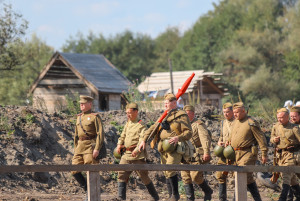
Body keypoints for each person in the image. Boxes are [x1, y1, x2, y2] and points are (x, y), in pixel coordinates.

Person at [139, 93, 192, 201]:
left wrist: (178, 137)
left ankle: (175, 195)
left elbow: (188, 132)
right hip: (163, 148)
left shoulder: (182, 115)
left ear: (174, 103)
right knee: (166, 171)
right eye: (164, 103)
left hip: (175, 148)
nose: (165, 105)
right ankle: (170, 195)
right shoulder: (164, 115)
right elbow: (152, 128)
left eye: (167, 103)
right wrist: (144, 140)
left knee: (171, 168)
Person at [116, 103, 159, 201]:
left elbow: (142, 140)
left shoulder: (141, 125)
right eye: (126, 113)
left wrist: (136, 151)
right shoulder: (128, 123)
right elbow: (122, 135)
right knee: (121, 174)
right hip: (126, 155)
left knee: (144, 176)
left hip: (137, 156)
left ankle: (155, 197)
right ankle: (121, 198)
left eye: (130, 113)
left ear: (136, 112)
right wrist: (119, 144)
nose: (128, 115)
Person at [228, 102, 268, 201]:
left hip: (248, 154)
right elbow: (232, 136)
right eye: (234, 112)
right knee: (248, 178)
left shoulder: (251, 122)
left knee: (241, 175)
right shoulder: (235, 122)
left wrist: (264, 154)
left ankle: (235, 199)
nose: (235, 114)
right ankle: (257, 199)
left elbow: (261, 139)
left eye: (237, 112)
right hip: (235, 154)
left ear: (243, 111)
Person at [71, 95, 104, 195]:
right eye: (80, 103)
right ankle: (87, 190)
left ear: (90, 104)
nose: (81, 105)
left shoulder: (95, 117)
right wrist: (76, 147)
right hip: (80, 146)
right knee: (74, 169)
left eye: (83, 103)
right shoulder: (79, 117)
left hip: (91, 146)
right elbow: (76, 135)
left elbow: (100, 133)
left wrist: (97, 148)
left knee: (91, 171)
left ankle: (92, 194)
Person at [181, 105, 213, 201]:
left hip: (196, 155)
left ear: (193, 113)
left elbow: (205, 138)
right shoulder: (183, 126)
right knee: (185, 177)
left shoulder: (198, 124)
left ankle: (207, 191)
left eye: (187, 114)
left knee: (195, 177)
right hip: (185, 155)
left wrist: (206, 152)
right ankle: (190, 199)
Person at [270, 108, 300, 201]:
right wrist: (274, 139)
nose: (279, 119)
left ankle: (283, 198)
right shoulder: (276, 126)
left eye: (282, 117)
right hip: (280, 155)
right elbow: (271, 137)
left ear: (287, 117)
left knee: (286, 174)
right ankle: (298, 196)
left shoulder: (294, 128)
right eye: (278, 117)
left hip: (291, 155)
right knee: (292, 179)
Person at [215, 102, 235, 201]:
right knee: (220, 175)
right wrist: (220, 141)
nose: (225, 114)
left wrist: (230, 143)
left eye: (227, 112)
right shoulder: (223, 122)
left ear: (232, 112)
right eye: (224, 112)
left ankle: (237, 198)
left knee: (237, 176)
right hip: (224, 153)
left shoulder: (237, 122)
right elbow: (222, 135)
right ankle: (222, 199)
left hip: (234, 153)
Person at [287, 106, 300, 201]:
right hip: (290, 155)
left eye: (294, 116)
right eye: (291, 116)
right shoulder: (289, 125)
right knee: (289, 176)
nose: (292, 118)